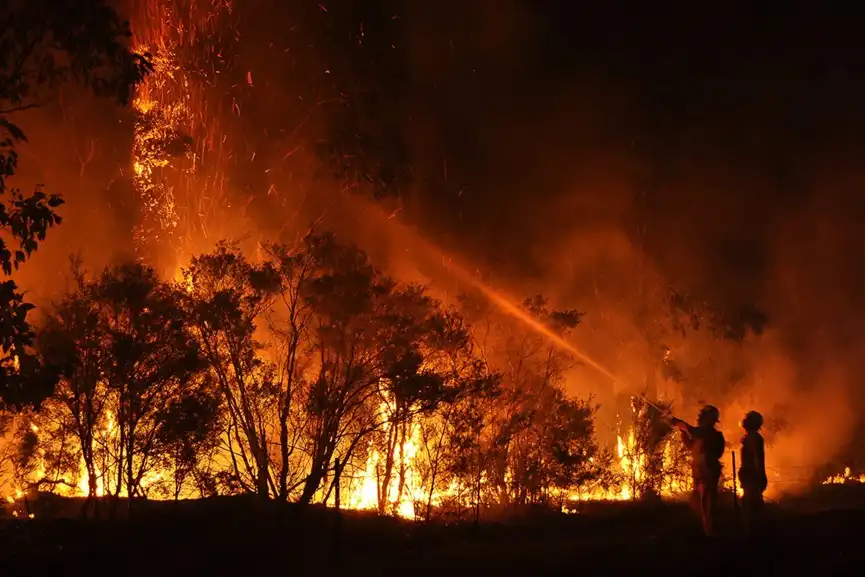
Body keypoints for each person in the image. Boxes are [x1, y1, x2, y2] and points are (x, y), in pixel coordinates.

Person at [671, 405, 725, 537]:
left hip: (708, 470)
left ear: (709, 418)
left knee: (707, 502)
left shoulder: (708, 432)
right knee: (701, 502)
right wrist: (684, 436)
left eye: (702, 415)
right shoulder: (704, 433)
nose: (699, 417)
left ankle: (711, 533)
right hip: (700, 470)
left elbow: (693, 431)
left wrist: (676, 422)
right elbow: (693, 447)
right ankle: (706, 531)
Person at [738, 410, 768, 536]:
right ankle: (753, 534)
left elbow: (757, 457)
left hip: (751, 475)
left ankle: (753, 534)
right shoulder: (753, 438)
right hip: (750, 475)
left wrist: (760, 475)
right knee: (752, 505)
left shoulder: (753, 438)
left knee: (751, 505)